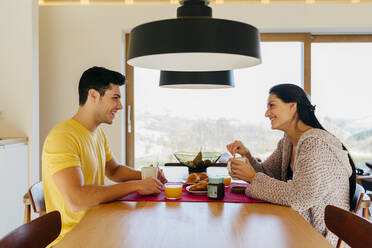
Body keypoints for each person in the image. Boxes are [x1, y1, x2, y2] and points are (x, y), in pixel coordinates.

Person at [42, 66, 167, 246]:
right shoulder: (62, 136)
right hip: (73, 238)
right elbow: (77, 199)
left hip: (96, 223)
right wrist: (137, 186)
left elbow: (114, 170)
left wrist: (148, 176)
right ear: (93, 95)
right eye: (115, 98)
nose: (120, 106)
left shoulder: (96, 134)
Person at [226, 83, 356, 246]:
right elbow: (267, 173)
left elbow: (300, 197)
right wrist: (248, 156)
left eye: (272, 105)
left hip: (319, 238)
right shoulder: (288, 142)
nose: (267, 113)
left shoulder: (315, 144)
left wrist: (253, 178)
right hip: (296, 226)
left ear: (293, 106)